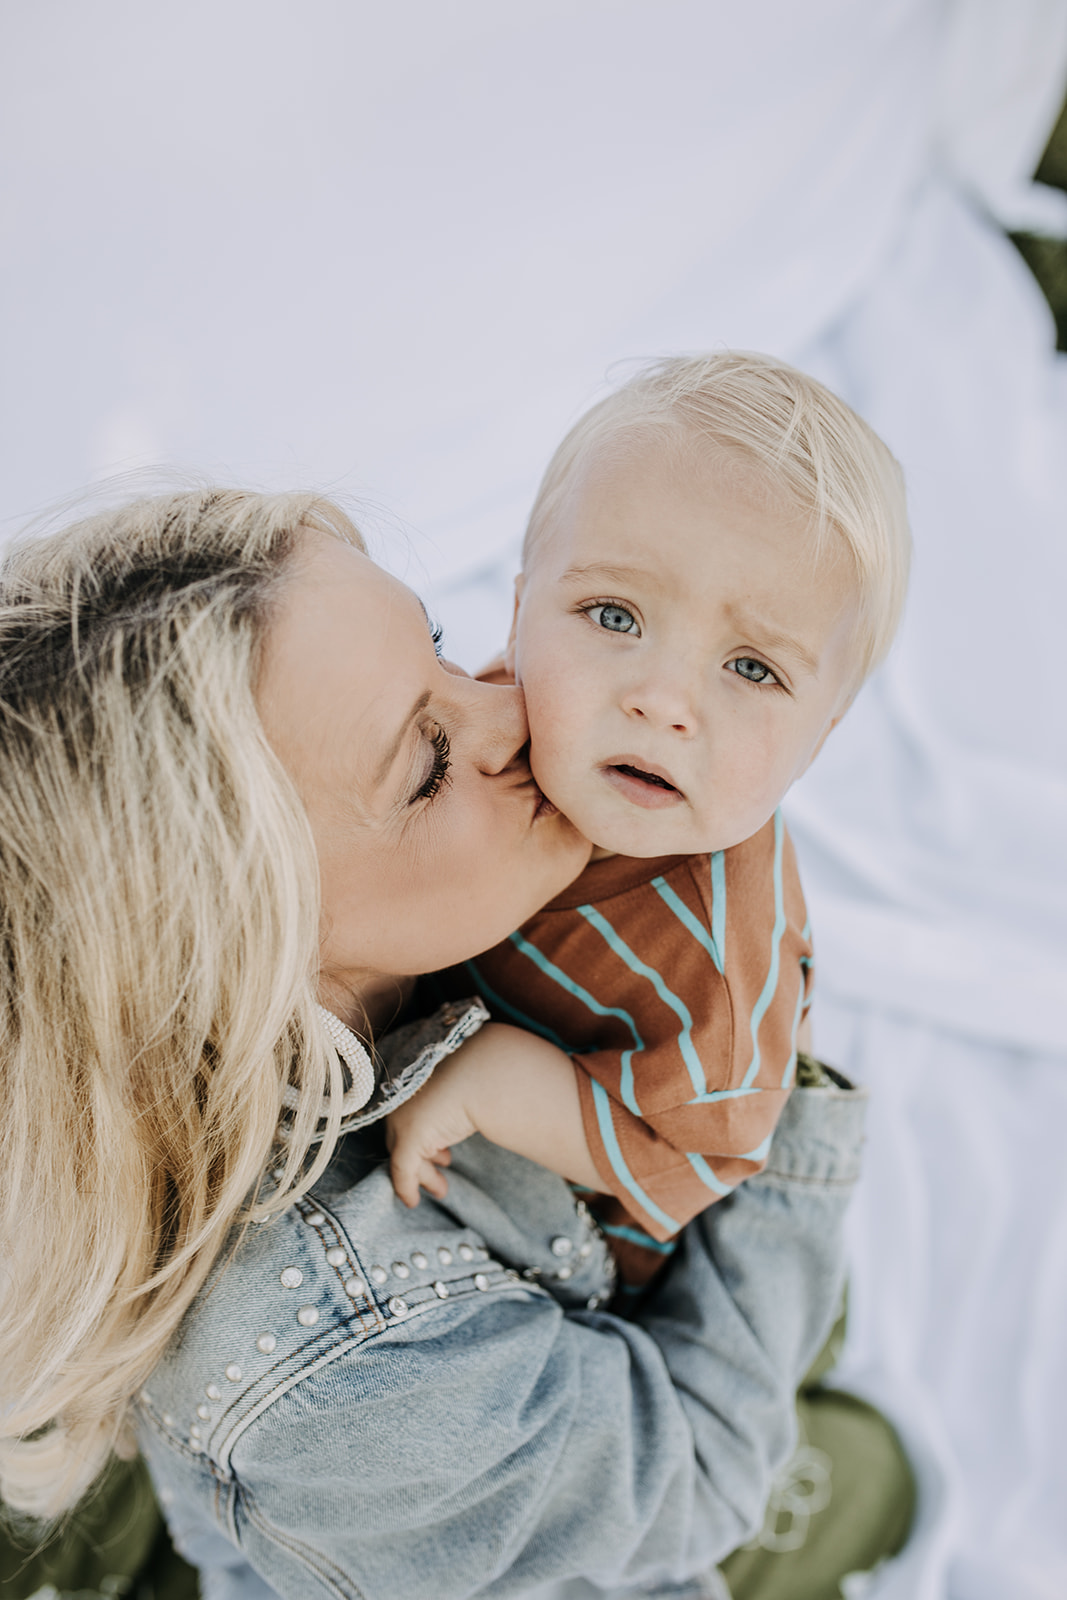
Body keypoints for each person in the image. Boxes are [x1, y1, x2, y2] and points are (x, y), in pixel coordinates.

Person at [0, 488, 904, 1598]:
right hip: (611, 1493)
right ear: (248, 957)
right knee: (874, 1468)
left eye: (432, 646)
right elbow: (705, 1471)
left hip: (476, 1421)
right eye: (427, 760)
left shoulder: (369, 951)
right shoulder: (337, 1355)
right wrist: (773, 1104)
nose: (507, 709)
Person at [387, 353, 911, 1289]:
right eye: (613, 614)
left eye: (752, 668)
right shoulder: (486, 723)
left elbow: (706, 1158)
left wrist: (508, 1084)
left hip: (587, 1261)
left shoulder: (718, 955)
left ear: (818, 741)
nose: (664, 701)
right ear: (518, 618)